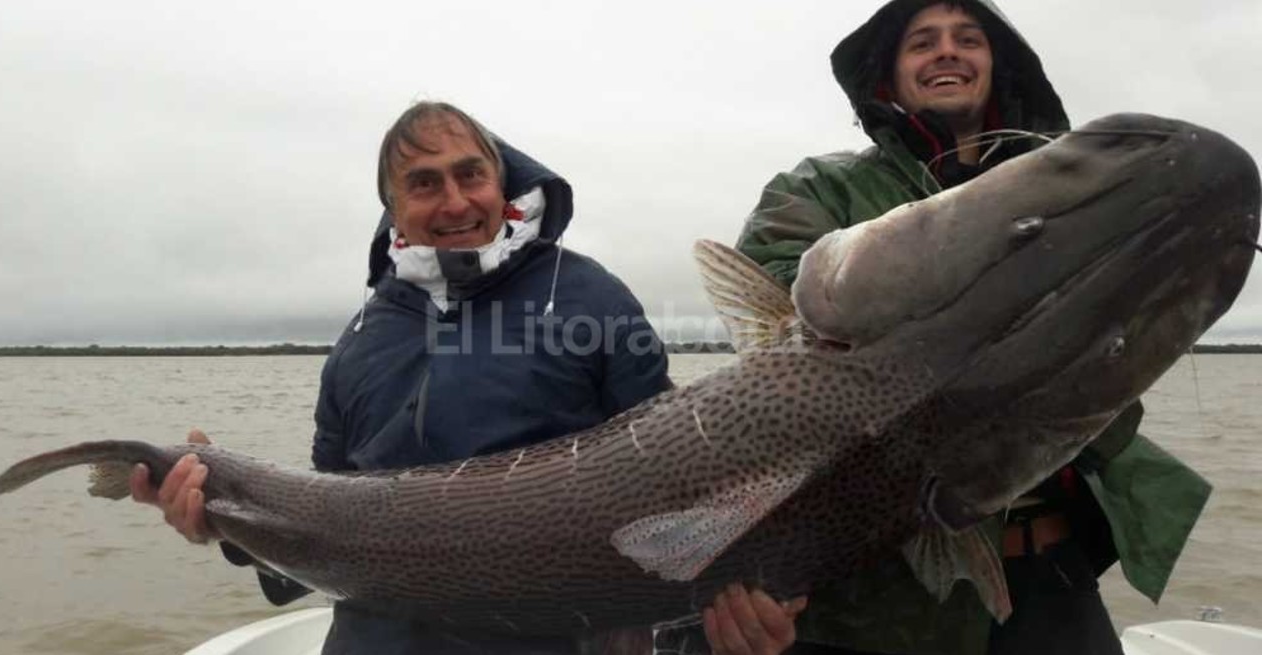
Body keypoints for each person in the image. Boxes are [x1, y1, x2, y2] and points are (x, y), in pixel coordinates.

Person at [130, 102, 804, 655]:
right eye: (424, 183)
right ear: (392, 208)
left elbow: (690, 490)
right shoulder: (358, 343)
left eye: (471, 175)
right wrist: (228, 524)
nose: (455, 200)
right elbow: (323, 537)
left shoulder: (593, 299)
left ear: (502, 183)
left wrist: (732, 611)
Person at [733, 2, 1213, 655]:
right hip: (885, 598)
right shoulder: (817, 189)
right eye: (921, 43)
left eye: (968, 39)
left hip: (1054, 572)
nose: (947, 53)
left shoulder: (1066, 195)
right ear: (889, 76)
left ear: (997, 64)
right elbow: (784, 332)